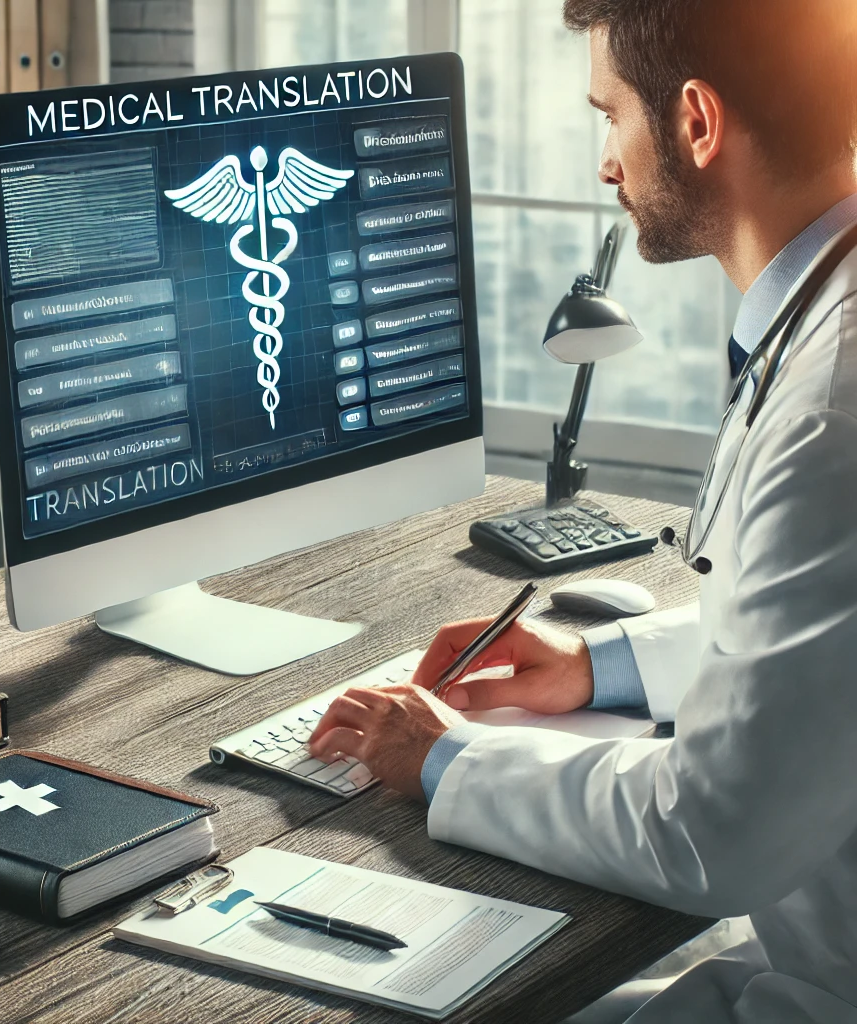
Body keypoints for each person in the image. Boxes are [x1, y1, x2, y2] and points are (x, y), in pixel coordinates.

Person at [308, 1, 857, 1021]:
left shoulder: (833, 408)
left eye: (611, 116)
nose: (606, 162)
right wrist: (599, 664)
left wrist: (448, 758)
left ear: (696, 121)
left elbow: (712, 834)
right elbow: (823, 638)